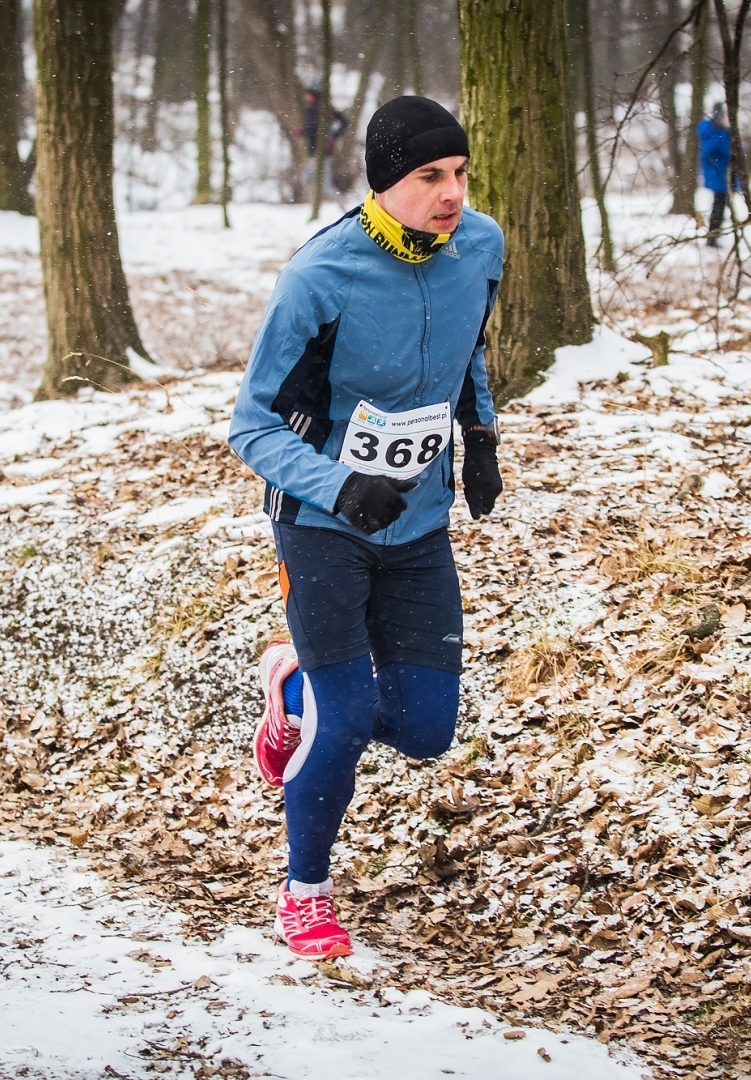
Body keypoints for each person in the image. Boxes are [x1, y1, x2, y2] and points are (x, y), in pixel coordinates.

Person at [228, 96, 503, 960]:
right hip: (322, 524)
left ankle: (293, 688)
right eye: (429, 176)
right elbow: (251, 426)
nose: (451, 193)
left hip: (417, 523)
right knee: (345, 721)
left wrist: (482, 437)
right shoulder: (319, 276)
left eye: (460, 173)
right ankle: (305, 890)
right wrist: (342, 488)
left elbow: (469, 348)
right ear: (384, 183)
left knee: (426, 729)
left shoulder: (481, 246)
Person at [299, 85, 348, 206]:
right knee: (310, 180)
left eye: (308, 94)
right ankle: (315, 204)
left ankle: (340, 203)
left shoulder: (322, 108)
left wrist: (334, 135)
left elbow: (313, 128)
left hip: (321, 152)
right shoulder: (319, 108)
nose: (305, 96)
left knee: (322, 183)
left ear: (313, 95)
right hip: (316, 151)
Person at [697, 103, 732, 246]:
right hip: (717, 173)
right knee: (719, 204)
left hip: (719, 172)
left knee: (721, 204)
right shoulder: (713, 131)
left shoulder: (716, 130)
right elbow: (715, 149)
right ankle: (712, 237)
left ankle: (714, 235)